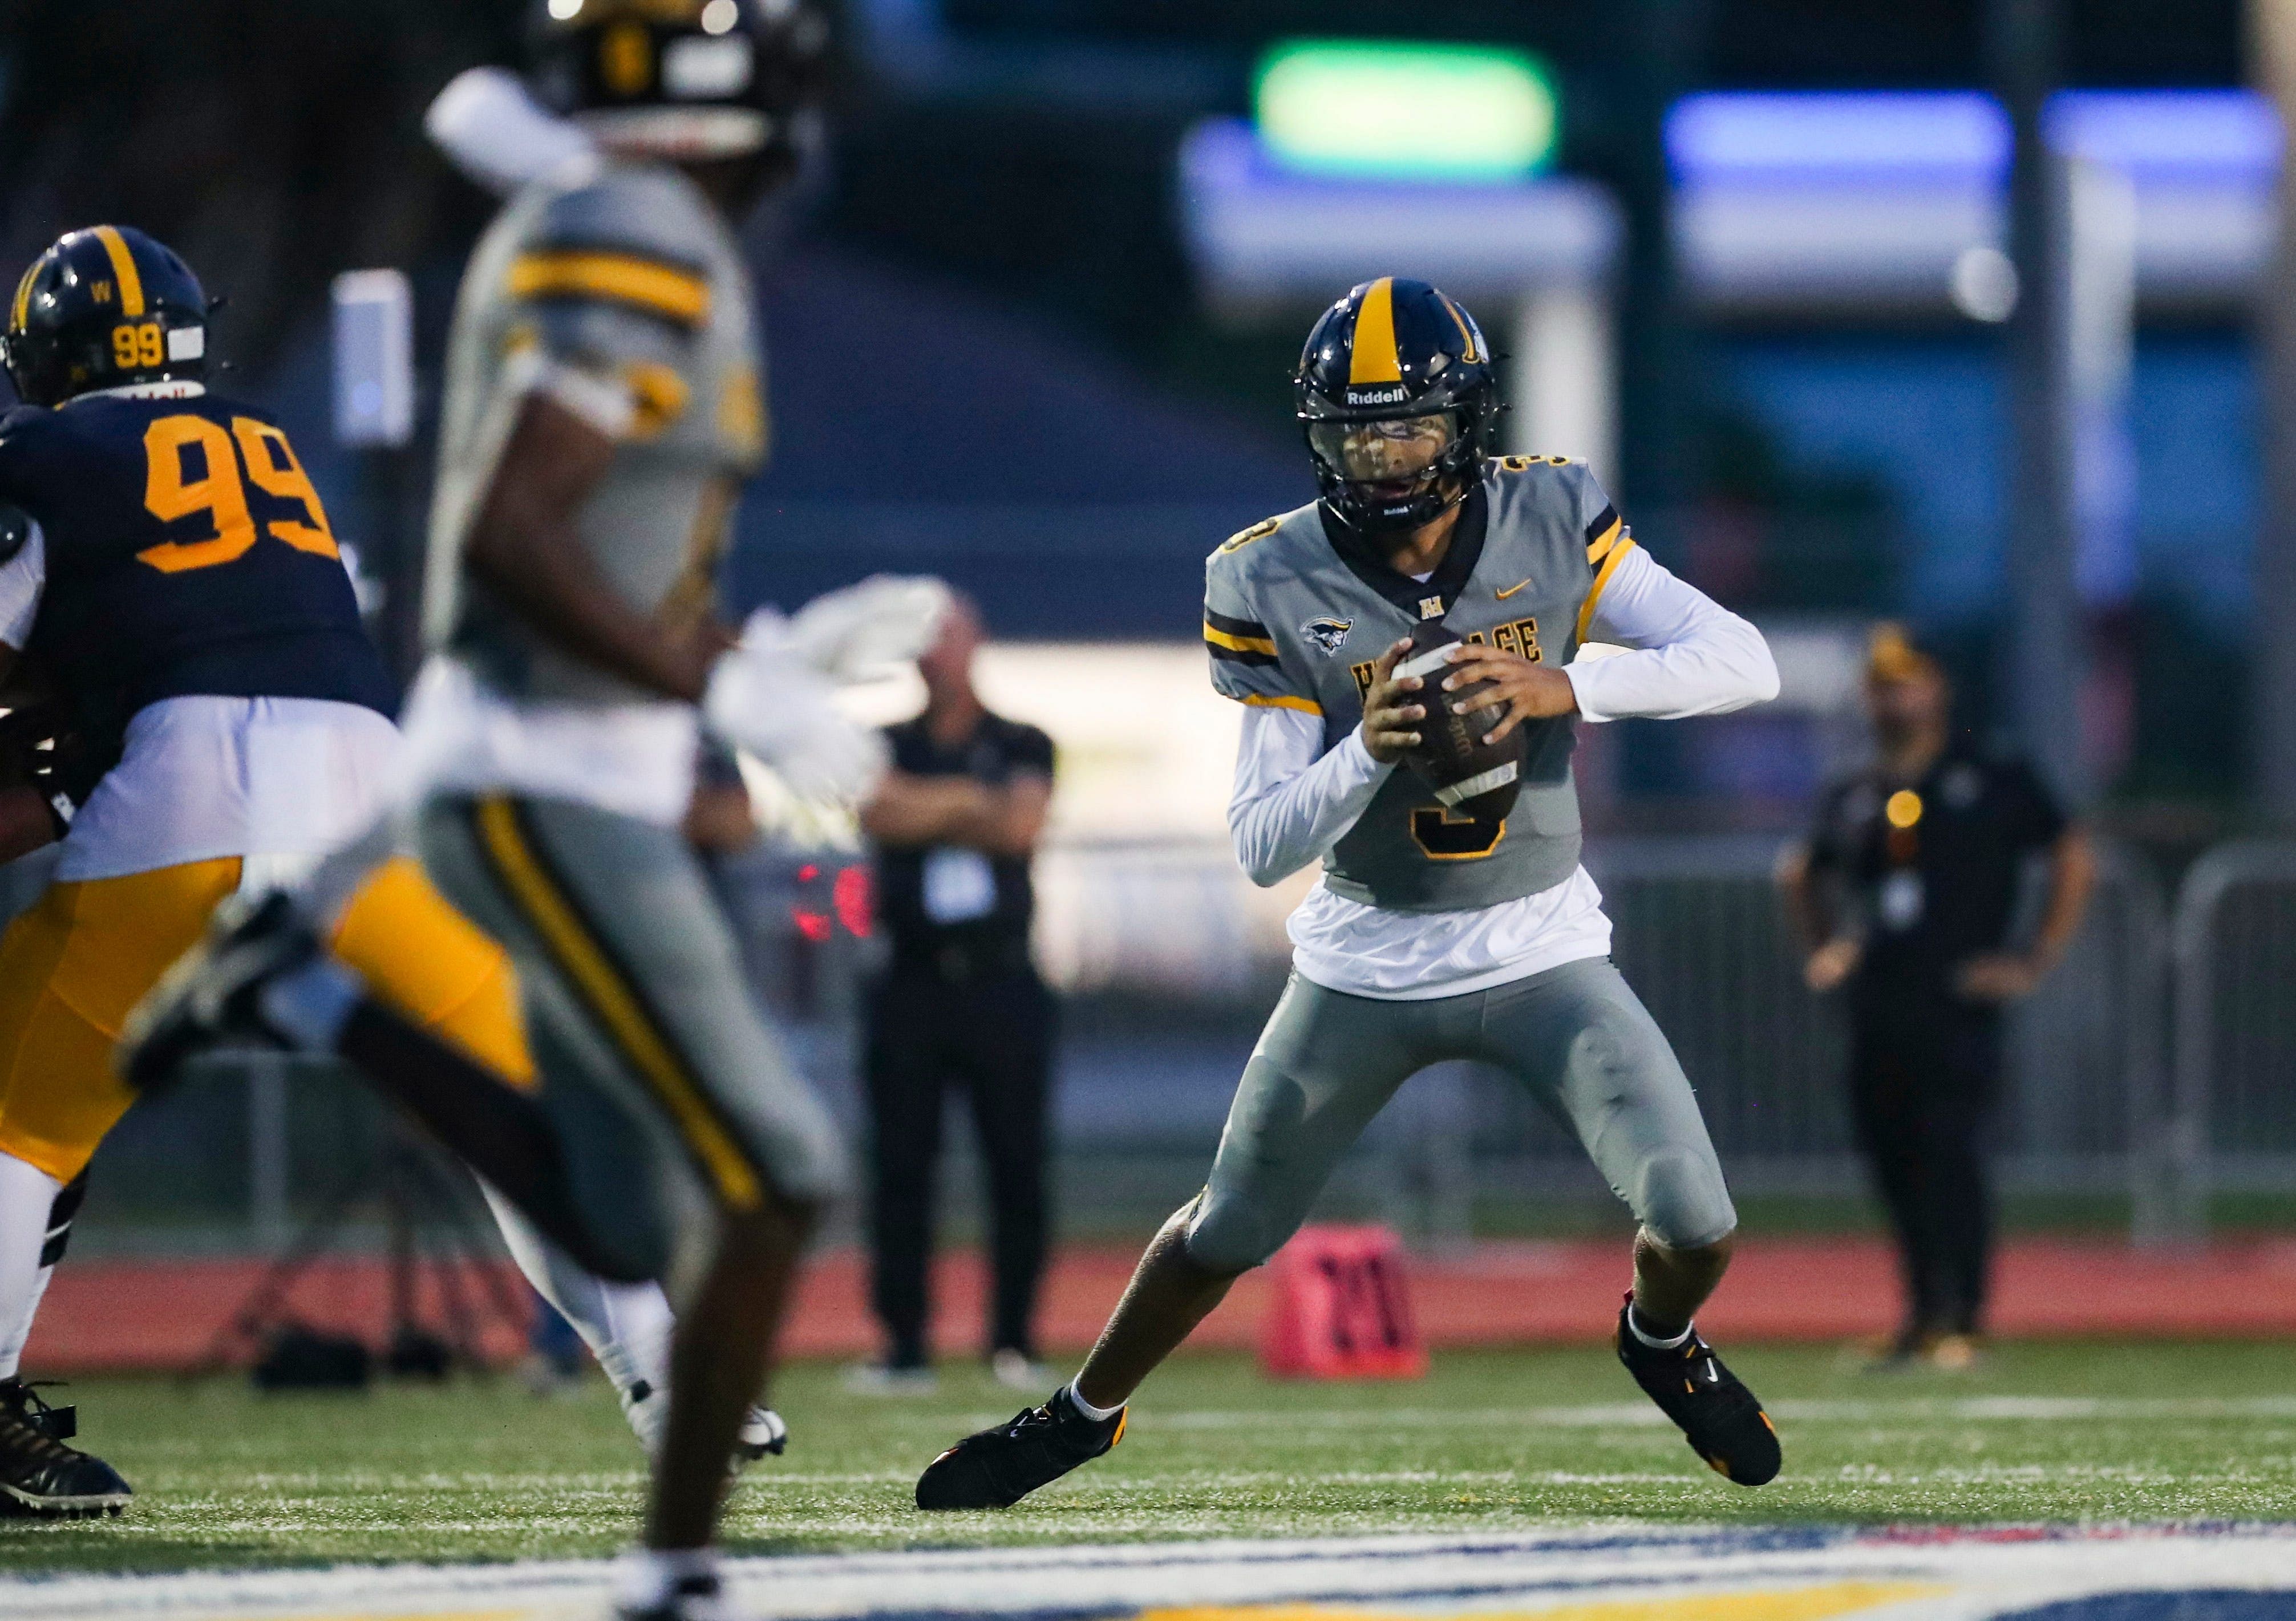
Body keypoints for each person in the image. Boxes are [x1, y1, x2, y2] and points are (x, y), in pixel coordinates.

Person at [122, 2, 933, 1614]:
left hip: (573, 763)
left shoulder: (614, 219)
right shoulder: (638, 235)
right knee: (773, 1172)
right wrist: (719, 690)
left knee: (635, 1211)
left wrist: (749, 654)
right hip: (540, 778)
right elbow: (510, 532)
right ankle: (675, 1567)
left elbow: (604, 546)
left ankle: (318, 987)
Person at [913, 277, 1785, 1512]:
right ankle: (1080, 1413)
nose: (1382, 459)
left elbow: (1739, 658)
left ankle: (1657, 1339)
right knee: (1223, 1229)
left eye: (1408, 429)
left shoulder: (1550, 510)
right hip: (1366, 959)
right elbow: (1266, 844)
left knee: (1697, 1219)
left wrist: (1569, 686)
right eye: (1356, 432)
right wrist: (1369, 746)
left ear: (1465, 425)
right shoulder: (1268, 574)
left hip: (1538, 945)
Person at [0, 224, 536, 1515]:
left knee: (26, 1113)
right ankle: (675, 1361)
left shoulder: (42, 460)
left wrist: (58, 752)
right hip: (353, 795)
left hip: (186, 794)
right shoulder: (265, 448)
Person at [1779, 624, 2093, 1369]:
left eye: (1907, 680)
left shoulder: (1990, 771)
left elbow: (2069, 850)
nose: (1894, 696)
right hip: (1878, 999)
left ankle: (1964, 1315)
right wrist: (1825, 948)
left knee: (1951, 1151)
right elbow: (1799, 871)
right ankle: (1921, 1314)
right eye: (1882, 682)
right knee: (1891, 1155)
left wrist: (2033, 957)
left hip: (1957, 997)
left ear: (1938, 686)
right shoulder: (1855, 788)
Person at [852, 597, 1056, 1392]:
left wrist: (923, 807)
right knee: (901, 1164)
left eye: (946, 638)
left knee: (1017, 1163)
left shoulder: (1023, 739)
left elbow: (1019, 829)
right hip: (910, 978)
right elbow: (875, 809)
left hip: (1002, 977)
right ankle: (902, 1346)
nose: (932, 655)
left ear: (975, 645)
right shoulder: (883, 741)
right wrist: (971, 800)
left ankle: (1014, 1339)